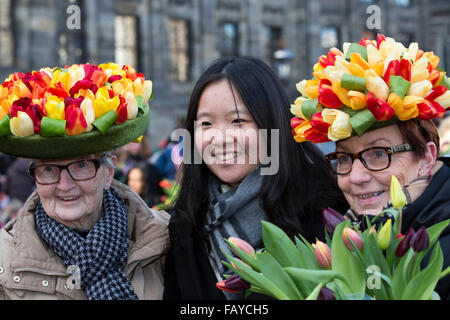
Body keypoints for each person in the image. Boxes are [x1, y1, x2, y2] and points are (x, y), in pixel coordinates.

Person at [163, 56, 348, 300]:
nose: (220, 138)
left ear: (272, 125)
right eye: (206, 123)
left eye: (238, 121)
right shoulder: (186, 225)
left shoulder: (326, 212)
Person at [290, 34, 450, 299]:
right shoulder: (340, 237)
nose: (355, 177)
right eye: (343, 158)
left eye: (378, 153)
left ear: (427, 158)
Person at [0, 62, 169, 300]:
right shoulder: (4, 259)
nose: (65, 185)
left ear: (108, 173)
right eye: (49, 169)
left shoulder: (165, 239)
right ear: (35, 177)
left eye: (81, 165)